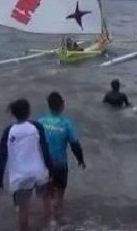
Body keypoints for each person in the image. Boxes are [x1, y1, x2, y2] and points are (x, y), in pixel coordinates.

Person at [0, 99, 54, 231]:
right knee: (47, 199)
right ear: (29, 112)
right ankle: (50, 226)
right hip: (39, 173)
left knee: (23, 209)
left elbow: (1, 158)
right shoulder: (37, 127)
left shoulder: (8, 131)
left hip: (20, 177)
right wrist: (51, 170)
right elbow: (45, 150)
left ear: (14, 114)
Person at [38, 92, 86, 221]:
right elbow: (75, 145)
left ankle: (49, 219)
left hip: (43, 164)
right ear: (62, 105)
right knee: (59, 193)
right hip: (60, 165)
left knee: (48, 194)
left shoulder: (40, 121)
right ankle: (57, 219)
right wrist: (80, 160)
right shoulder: (66, 123)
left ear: (49, 106)